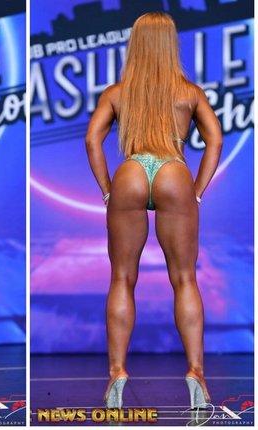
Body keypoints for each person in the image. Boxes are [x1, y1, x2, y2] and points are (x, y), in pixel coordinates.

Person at [85, 12, 222, 409]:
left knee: (121, 278)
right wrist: (196, 192)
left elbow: (92, 140)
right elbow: (215, 140)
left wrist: (108, 190)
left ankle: (117, 372)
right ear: (170, 45)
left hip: (130, 172)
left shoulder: (118, 92)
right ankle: (196, 373)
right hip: (173, 171)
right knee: (185, 279)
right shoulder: (189, 92)